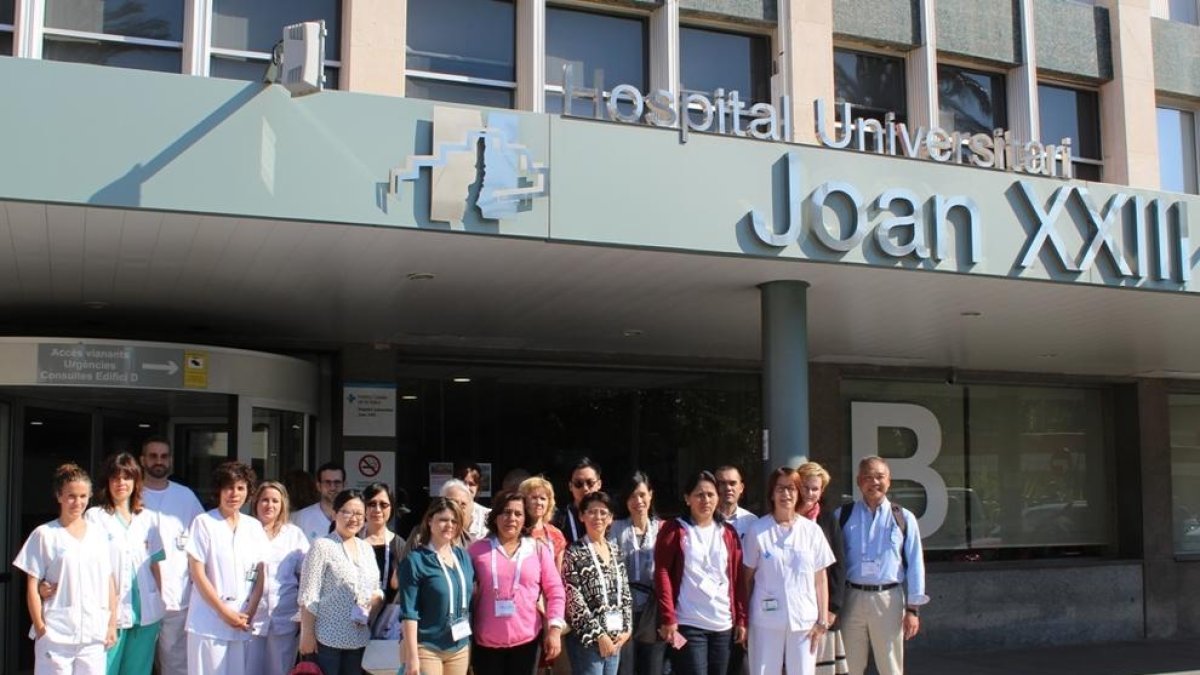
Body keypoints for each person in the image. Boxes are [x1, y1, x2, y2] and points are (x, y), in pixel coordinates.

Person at [14, 463, 118, 674]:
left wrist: (111, 624)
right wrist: (42, 630)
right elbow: (32, 587)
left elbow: (108, 581)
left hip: (93, 635)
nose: (77, 502)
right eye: (71, 496)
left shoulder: (99, 535)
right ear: (59, 496)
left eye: (82, 496)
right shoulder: (44, 534)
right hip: (56, 634)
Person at [837, 457, 927, 675]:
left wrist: (913, 609)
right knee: (850, 666)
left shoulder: (904, 517)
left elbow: (915, 563)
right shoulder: (843, 515)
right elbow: (833, 564)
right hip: (852, 598)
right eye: (868, 477)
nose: (874, 482)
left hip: (888, 599)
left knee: (890, 666)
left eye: (879, 476)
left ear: (889, 481)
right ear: (859, 481)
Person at [741, 467, 836, 675]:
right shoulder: (757, 530)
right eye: (780, 488)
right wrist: (744, 619)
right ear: (772, 494)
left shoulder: (812, 531)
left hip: (804, 622)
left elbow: (820, 579)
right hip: (765, 621)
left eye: (791, 488)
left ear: (798, 493)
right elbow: (746, 579)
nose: (786, 494)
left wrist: (822, 620)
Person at [655, 470, 747, 675]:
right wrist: (668, 617)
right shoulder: (674, 530)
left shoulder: (729, 533)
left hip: (723, 625)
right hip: (687, 623)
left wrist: (741, 619)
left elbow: (737, 579)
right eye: (699, 495)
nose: (705, 500)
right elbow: (661, 574)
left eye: (710, 494)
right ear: (687, 499)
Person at [185, 461, 269, 675]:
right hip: (209, 622)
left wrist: (248, 612)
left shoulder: (254, 526)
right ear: (219, 490)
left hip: (241, 621)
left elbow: (260, 574)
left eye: (240, 488)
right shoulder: (204, 522)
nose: (234, 493)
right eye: (228, 487)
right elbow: (198, 573)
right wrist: (223, 612)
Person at [468, 490, 567, 674]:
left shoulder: (538, 549)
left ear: (525, 520)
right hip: (486, 646)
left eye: (518, 513)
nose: (511, 518)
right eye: (505, 512)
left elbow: (555, 591)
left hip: (527, 643)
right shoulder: (476, 550)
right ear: (496, 516)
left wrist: (554, 630)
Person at [85, 452, 165, 675]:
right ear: (107, 482)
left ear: (136, 481)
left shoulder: (148, 519)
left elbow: (155, 565)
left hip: (146, 614)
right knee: (105, 670)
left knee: (138, 671)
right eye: (115, 478)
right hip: (110, 614)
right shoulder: (95, 517)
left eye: (127, 477)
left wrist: (162, 600)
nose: (121, 483)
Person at [298, 489, 383, 675]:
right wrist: (307, 635)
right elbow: (309, 595)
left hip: (358, 637)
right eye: (347, 512)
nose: (354, 518)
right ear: (335, 514)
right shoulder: (322, 546)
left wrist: (371, 605)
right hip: (326, 639)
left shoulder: (366, 549)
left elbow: (377, 589)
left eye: (359, 513)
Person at [139, 436, 204, 675]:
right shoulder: (132, 494)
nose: (159, 461)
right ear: (142, 460)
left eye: (164, 456)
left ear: (171, 461)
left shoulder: (185, 496)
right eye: (153, 456)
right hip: (137, 599)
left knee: (175, 666)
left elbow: (201, 544)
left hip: (177, 597)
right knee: (137, 664)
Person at [399, 496, 475, 675]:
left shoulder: (463, 556)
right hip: (427, 648)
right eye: (443, 520)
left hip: (460, 646)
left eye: (454, 521)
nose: (449, 525)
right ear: (429, 521)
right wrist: (412, 656)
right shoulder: (415, 560)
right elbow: (409, 612)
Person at [562, 491, 631, 675]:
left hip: (616, 636)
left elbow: (625, 593)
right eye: (591, 512)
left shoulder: (615, 551)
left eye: (603, 512)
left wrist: (627, 629)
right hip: (588, 640)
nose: (597, 517)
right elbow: (573, 598)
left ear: (610, 518)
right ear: (582, 516)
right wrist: (599, 635)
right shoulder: (574, 551)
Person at [248, 481, 310, 675]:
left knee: (281, 671)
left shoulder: (294, 534)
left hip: (284, 617)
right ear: (256, 503)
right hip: (250, 617)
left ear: (283, 504)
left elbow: (306, 575)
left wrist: (304, 615)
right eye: (265, 500)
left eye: (275, 501)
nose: (270, 505)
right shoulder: (245, 531)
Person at [611, 472, 665, 675]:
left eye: (642, 495)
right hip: (623, 609)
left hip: (653, 610)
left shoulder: (663, 529)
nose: (638, 501)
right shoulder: (615, 528)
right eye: (632, 496)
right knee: (624, 668)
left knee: (652, 667)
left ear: (651, 495)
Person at [796, 461, 847, 675]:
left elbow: (838, 566)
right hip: (793, 607)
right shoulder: (784, 517)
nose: (809, 493)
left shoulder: (827, 520)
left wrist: (832, 608)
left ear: (822, 490)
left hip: (821, 608)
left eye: (815, 488)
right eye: (805, 487)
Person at [361, 482, 404, 611]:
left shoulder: (399, 544)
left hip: (387, 620)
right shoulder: (353, 539)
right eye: (372, 504)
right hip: (352, 615)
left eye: (383, 505)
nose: (378, 510)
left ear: (391, 508)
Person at [519, 474, 568, 568]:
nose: (539, 503)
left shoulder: (556, 535)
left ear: (549, 503)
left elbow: (558, 574)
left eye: (543, 498)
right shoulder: (515, 532)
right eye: (534, 498)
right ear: (524, 501)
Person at [292, 462, 344, 542]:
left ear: (344, 485)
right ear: (318, 486)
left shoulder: (354, 517)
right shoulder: (301, 517)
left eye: (337, 482)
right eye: (327, 482)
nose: (333, 487)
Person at [556, 457, 604, 545]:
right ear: (570, 486)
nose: (585, 488)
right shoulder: (558, 520)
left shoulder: (608, 519)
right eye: (578, 483)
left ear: (599, 484)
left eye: (590, 483)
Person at [457, 461, 492, 542]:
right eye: (463, 483)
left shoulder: (488, 514)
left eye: (471, 484)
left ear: (478, 487)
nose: (466, 487)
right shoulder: (445, 512)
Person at [441, 478, 481, 546]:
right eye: (453, 503)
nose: (458, 509)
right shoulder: (421, 540)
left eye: (463, 505)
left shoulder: (474, 546)